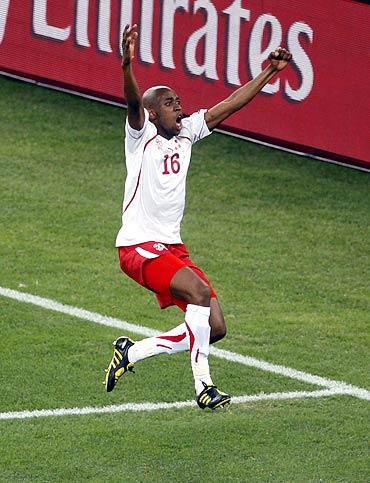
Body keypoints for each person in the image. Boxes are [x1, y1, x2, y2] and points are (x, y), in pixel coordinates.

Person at [104, 24, 292, 410]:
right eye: (171, 103)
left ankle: (132, 352)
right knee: (200, 294)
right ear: (153, 112)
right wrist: (127, 65)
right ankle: (203, 386)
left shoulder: (188, 132)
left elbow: (232, 103)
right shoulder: (141, 136)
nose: (179, 106)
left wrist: (270, 72)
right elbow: (132, 102)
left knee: (214, 326)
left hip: (171, 245)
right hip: (138, 245)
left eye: (179, 101)